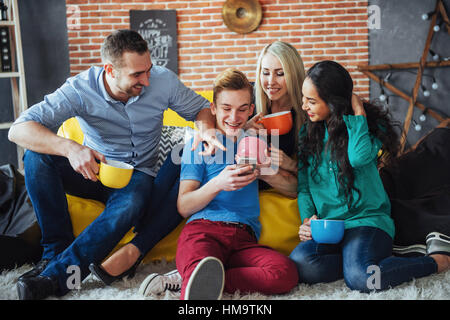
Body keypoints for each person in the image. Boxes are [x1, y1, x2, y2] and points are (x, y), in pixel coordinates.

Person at [8, 29, 222, 300]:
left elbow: (202, 109)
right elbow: (18, 130)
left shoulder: (161, 81)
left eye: (148, 70)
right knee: (35, 157)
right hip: (92, 172)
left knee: (133, 201)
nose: (146, 80)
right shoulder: (80, 89)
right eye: (136, 74)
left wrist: (205, 130)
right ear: (110, 69)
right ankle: (53, 252)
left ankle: (55, 278)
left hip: (136, 177)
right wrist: (71, 148)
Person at [289, 60, 450, 292]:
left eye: (311, 101)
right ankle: (366, 259)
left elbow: (358, 158)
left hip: (367, 222)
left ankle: (436, 261)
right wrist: (308, 220)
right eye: (304, 99)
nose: (304, 106)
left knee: (363, 278)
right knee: (302, 265)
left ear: (333, 103)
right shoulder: (307, 133)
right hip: (330, 228)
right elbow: (304, 187)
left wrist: (358, 114)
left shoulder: (367, 130)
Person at [147, 68, 298, 300]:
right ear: (214, 109)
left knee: (285, 273)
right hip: (203, 232)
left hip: (243, 239)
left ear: (250, 110)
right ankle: (197, 277)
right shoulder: (198, 144)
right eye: (226, 109)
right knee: (198, 277)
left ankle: (190, 278)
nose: (234, 117)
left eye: (242, 109)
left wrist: (264, 172)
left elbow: (293, 189)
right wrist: (218, 183)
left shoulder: (255, 140)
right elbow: (184, 206)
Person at [246, 41, 306, 198]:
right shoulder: (249, 97)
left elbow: (318, 175)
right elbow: (220, 133)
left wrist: (290, 164)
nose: (270, 82)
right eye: (265, 73)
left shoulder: (306, 112)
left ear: (294, 75)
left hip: (272, 177)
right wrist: (243, 128)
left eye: (280, 74)